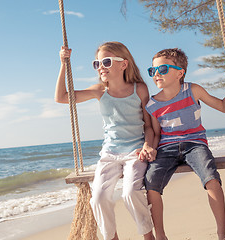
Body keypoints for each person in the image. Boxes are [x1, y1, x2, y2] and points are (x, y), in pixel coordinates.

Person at [55, 41, 155, 240]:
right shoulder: (100, 91)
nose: (100, 66)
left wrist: (147, 145)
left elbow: (148, 126)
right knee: (98, 198)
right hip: (109, 154)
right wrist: (63, 64)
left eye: (106, 62)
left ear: (123, 64)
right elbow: (62, 97)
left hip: (134, 152)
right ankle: (111, 237)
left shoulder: (139, 90)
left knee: (130, 193)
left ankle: (148, 236)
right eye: (97, 63)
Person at [144, 48, 225, 240]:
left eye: (162, 69)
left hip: (195, 144)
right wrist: (150, 147)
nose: (156, 74)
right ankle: (160, 235)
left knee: (210, 177)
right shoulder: (152, 104)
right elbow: (155, 132)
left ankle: (223, 232)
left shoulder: (192, 90)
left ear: (180, 72)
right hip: (167, 147)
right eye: (152, 70)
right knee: (151, 181)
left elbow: (223, 107)